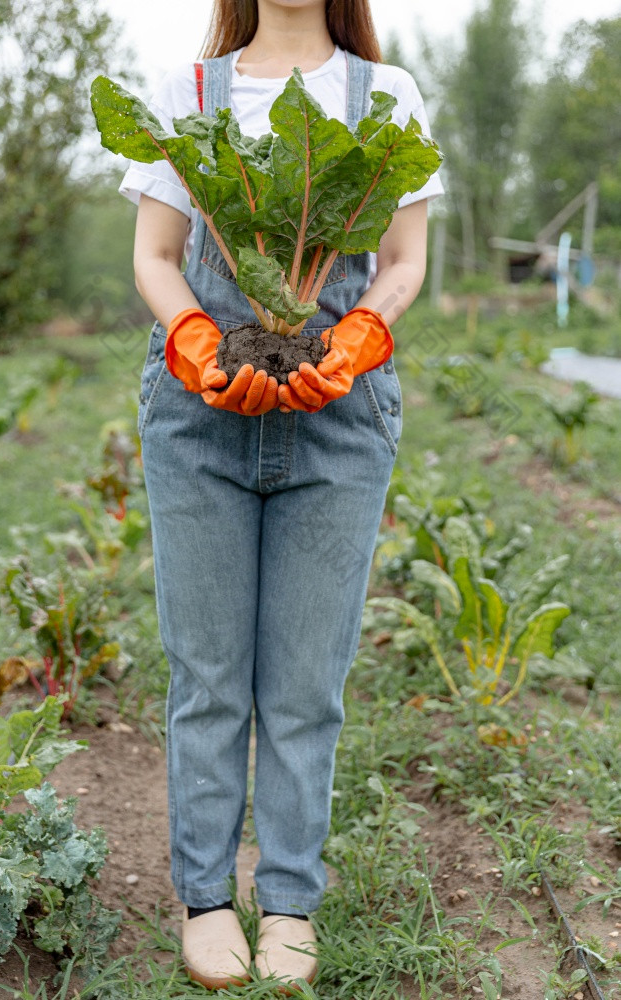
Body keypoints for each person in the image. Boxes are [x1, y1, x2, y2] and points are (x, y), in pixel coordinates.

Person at [119, 0, 444, 990]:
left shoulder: (383, 96)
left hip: (335, 412)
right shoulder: (191, 93)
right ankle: (208, 897)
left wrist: (355, 339)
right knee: (208, 675)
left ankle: (291, 896)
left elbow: (402, 261)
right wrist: (195, 343)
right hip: (204, 409)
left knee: (305, 685)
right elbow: (155, 256)